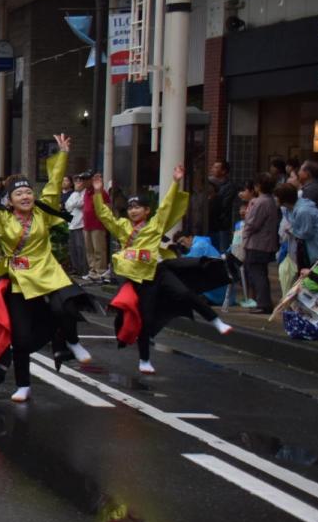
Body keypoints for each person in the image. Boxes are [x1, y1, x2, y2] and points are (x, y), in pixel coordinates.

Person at [0, 135, 95, 402]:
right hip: (18, 281)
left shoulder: (43, 213)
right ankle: (23, 384)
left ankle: (71, 340)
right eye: (19, 193)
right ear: (9, 200)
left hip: (48, 274)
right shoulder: (1, 218)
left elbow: (53, 186)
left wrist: (62, 154)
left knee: (64, 306)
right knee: (21, 337)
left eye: (28, 192)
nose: (26, 196)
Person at [92, 167, 232, 374]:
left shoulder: (156, 225)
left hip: (158, 271)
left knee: (185, 293)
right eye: (130, 208)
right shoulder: (122, 226)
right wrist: (97, 192)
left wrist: (175, 182)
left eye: (138, 207)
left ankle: (216, 320)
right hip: (138, 279)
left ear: (147, 211)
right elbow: (104, 216)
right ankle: (144, 360)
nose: (133, 211)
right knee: (145, 318)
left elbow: (166, 206)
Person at [242, 172, 280, 314]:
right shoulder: (271, 201)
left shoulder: (259, 202)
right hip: (267, 243)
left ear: (258, 186)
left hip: (256, 243)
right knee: (261, 273)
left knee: (257, 274)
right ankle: (264, 302)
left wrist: (244, 235)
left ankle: (263, 304)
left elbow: (252, 224)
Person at [277, 182, 318, 264]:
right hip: (311, 249)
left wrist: (292, 230)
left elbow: (306, 233)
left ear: (283, 200)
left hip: (317, 249)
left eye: (277, 197)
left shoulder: (303, 211)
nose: (275, 199)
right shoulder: (293, 208)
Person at [81, 170, 110, 282]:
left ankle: (100, 271)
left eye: (86, 179)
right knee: (89, 250)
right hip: (87, 224)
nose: (84, 182)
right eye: (83, 179)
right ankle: (92, 271)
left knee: (99, 249)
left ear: (92, 180)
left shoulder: (100, 192)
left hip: (97, 224)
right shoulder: (86, 192)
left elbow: (107, 206)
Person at [208, 160, 239, 253]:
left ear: (224, 171)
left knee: (222, 251)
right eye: (213, 167)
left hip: (222, 225)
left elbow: (224, 205)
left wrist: (212, 198)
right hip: (209, 223)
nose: (213, 169)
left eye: (216, 167)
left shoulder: (229, 186)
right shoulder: (209, 183)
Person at [65, 172, 88, 277]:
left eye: (80, 181)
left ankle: (84, 270)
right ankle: (76, 269)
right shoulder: (74, 194)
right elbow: (67, 206)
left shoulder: (85, 193)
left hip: (81, 224)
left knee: (81, 248)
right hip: (72, 224)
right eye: (76, 181)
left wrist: (74, 203)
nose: (78, 183)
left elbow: (80, 204)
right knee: (73, 248)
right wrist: (74, 203)